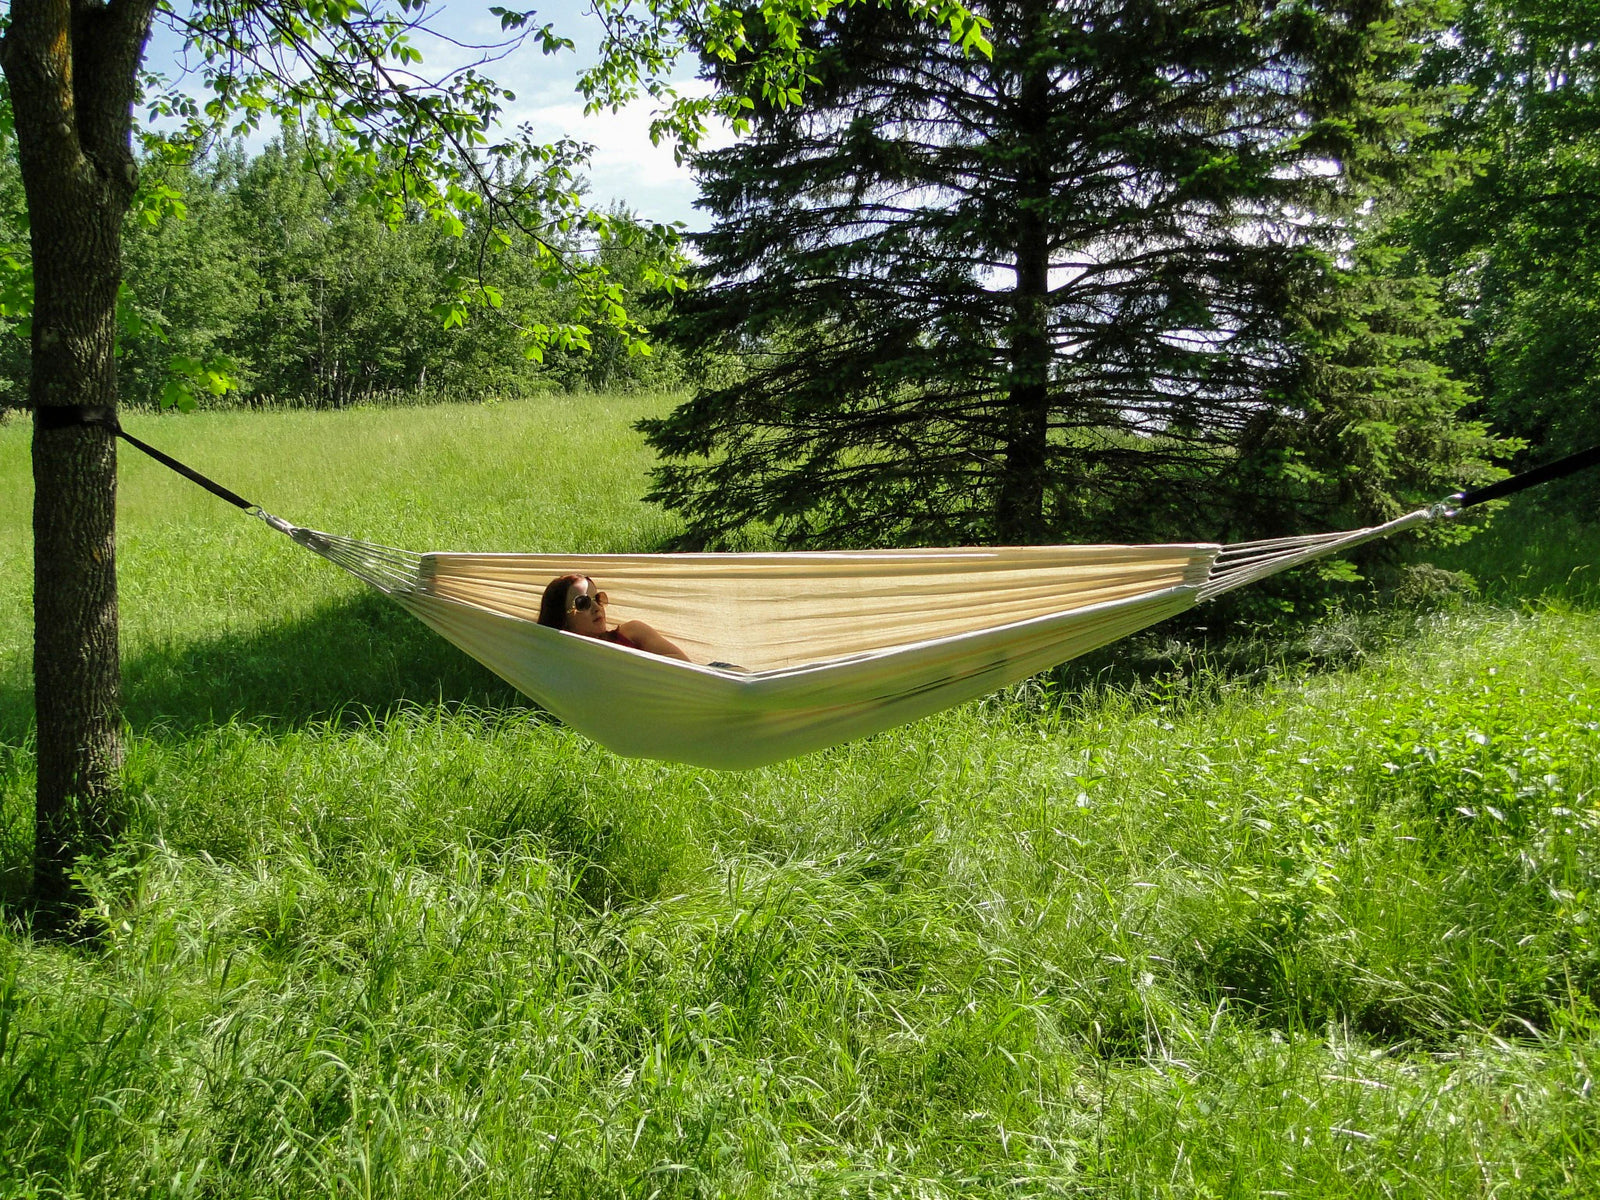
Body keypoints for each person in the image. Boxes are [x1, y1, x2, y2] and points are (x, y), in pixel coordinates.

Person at [537, 573, 691, 661]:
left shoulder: (631, 632)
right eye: (583, 603)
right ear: (562, 617)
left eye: (597, 598)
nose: (597, 608)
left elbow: (687, 666)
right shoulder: (568, 662)